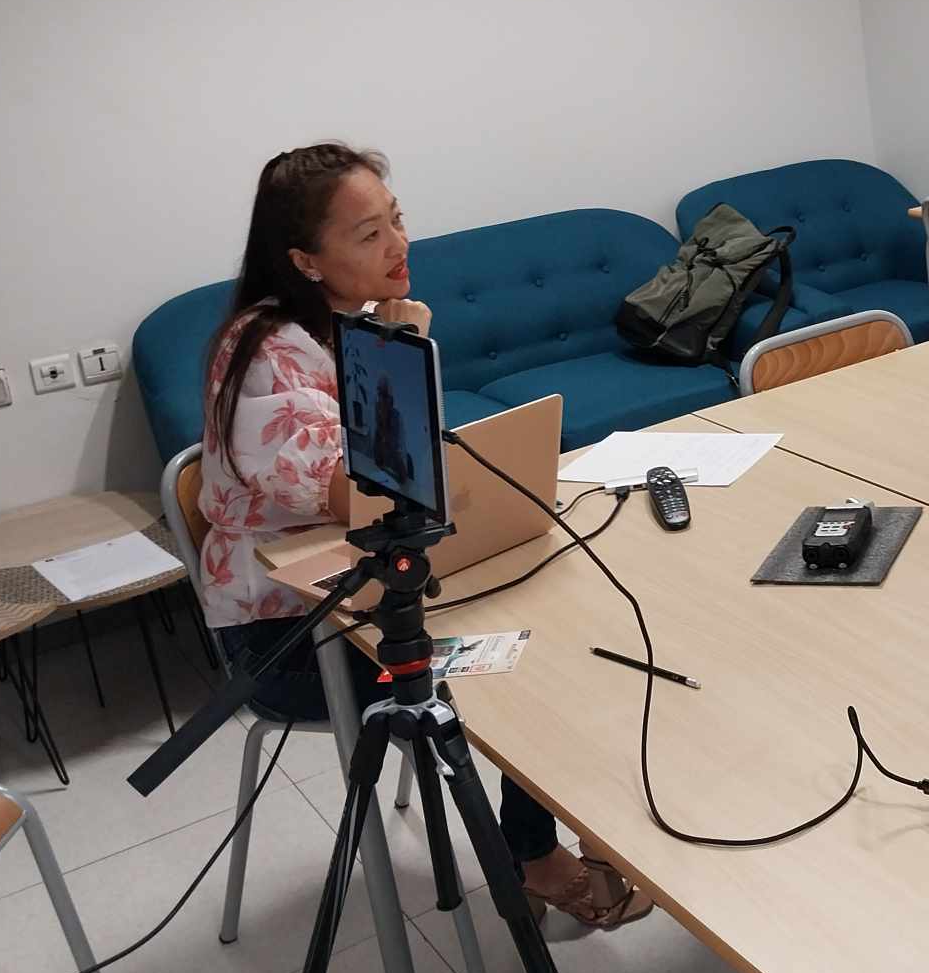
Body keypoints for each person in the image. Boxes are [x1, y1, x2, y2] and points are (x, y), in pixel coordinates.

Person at [198, 143, 652, 929]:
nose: (399, 245)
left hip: (374, 597)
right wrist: (400, 358)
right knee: (524, 668)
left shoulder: (346, 320)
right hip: (292, 639)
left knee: (567, 618)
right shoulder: (270, 354)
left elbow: (406, 487)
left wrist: (392, 347)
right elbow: (374, 493)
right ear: (305, 260)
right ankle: (534, 857)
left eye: (396, 219)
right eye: (369, 234)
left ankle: (564, 833)